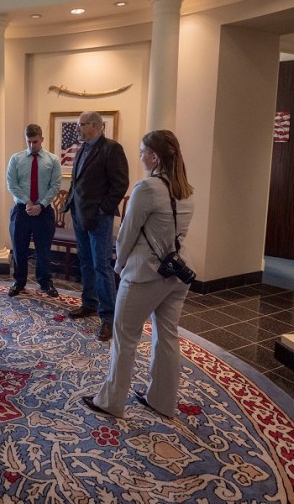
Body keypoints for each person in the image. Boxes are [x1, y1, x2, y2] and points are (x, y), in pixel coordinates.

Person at [82, 130, 194, 419]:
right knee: (167, 337)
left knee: (125, 337)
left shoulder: (147, 188)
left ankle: (111, 401)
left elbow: (127, 234)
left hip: (144, 274)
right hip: (176, 274)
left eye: (143, 150)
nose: (140, 155)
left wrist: (118, 267)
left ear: (154, 156)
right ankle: (162, 400)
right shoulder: (186, 190)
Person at [64, 111, 129, 341]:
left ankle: (109, 317)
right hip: (80, 215)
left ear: (95, 126)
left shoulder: (111, 148)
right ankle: (88, 304)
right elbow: (77, 181)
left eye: (81, 124)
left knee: (101, 265)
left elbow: (120, 184)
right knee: (85, 262)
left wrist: (102, 210)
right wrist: (70, 202)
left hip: (99, 218)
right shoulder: (82, 148)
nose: (78, 128)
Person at [6, 123, 62, 297]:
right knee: (19, 247)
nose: (31, 145)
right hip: (21, 210)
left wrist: (41, 205)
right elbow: (11, 184)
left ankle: (45, 282)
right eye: (28, 142)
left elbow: (55, 186)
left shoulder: (53, 160)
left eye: (35, 141)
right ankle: (19, 281)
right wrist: (28, 202)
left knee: (43, 250)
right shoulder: (16, 159)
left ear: (42, 139)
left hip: (43, 211)